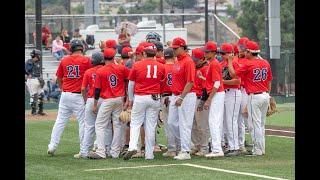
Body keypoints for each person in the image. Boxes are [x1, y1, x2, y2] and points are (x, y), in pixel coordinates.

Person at [47, 39, 92, 156]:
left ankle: (52, 146)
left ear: (71, 49)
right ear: (82, 48)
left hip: (65, 94)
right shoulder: (86, 60)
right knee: (83, 123)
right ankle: (83, 150)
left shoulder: (64, 60)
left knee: (60, 121)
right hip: (79, 95)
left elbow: (59, 78)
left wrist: (62, 88)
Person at [227, 41, 273, 156]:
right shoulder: (265, 62)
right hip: (265, 95)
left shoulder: (248, 64)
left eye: (246, 50)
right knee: (261, 124)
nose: (244, 52)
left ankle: (257, 150)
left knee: (255, 124)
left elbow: (233, 74)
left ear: (249, 52)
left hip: (255, 96)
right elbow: (269, 80)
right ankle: (261, 149)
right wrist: (269, 95)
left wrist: (229, 61)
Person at [123, 42, 165, 160]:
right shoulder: (161, 66)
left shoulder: (137, 65)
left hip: (141, 97)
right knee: (150, 126)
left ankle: (132, 147)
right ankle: (149, 154)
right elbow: (163, 82)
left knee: (135, 123)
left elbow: (131, 84)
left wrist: (130, 99)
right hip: (155, 97)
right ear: (155, 53)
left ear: (145, 53)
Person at [88, 48, 130, 159]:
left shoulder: (100, 71)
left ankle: (101, 151)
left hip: (108, 100)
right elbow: (129, 81)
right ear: (113, 57)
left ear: (103, 58)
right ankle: (115, 152)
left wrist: (95, 104)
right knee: (118, 125)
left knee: (100, 124)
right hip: (120, 99)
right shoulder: (122, 68)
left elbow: (97, 90)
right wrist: (128, 99)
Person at [167, 37, 196, 160]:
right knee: (171, 123)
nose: (173, 50)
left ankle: (185, 151)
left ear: (183, 47)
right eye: (173, 48)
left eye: (176, 48)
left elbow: (190, 82)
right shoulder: (177, 60)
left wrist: (182, 97)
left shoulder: (188, 61)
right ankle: (187, 144)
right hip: (176, 95)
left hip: (186, 95)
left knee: (185, 124)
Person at [75, 51, 105, 159]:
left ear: (93, 61)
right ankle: (106, 150)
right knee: (104, 126)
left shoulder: (88, 72)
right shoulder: (105, 70)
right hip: (104, 100)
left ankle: (84, 152)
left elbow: (83, 89)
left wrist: (85, 100)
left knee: (89, 127)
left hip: (91, 99)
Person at [202, 41, 226, 158]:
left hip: (217, 94)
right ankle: (217, 147)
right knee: (216, 121)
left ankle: (217, 149)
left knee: (214, 121)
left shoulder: (214, 63)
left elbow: (217, 83)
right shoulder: (212, 63)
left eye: (207, 51)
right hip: (217, 94)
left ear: (212, 52)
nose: (205, 53)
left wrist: (209, 99)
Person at [219, 43, 242, 156]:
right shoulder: (220, 64)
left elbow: (237, 80)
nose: (222, 55)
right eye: (221, 53)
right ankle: (229, 145)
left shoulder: (235, 63)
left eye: (224, 53)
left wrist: (229, 62)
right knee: (225, 121)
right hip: (224, 93)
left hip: (233, 93)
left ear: (231, 53)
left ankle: (235, 147)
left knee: (231, 120)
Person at [190, 48, 210, 157]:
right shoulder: (193, 68)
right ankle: (197, 145)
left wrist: (203, 101)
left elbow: (207, 87)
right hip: (192, 98)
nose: (194, 61)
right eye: (193, 59)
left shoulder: (206, 68)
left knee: (202, 124)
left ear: (203, 59)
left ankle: (204, 147)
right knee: (193, 124)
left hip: (201, 98)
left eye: (196, 60)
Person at [161, 48, 177, 158]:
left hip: (166, 96)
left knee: (168, 124)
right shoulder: (177, 66)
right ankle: (181, 147)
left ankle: (172, 149)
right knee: (179, 123)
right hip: (177, 96)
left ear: (164, 57)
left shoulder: (162, 68)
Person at [25, 49, 46, 116]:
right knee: (33, 95)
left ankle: (40, 110)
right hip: (32, 80)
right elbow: (27, 70)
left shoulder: (37, 63)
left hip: (38, 80)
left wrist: (41, 79)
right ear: (35, 55)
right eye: (38, 55)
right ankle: (33, 111)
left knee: (41, 94)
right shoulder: (29, 61)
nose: (39, 56)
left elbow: (38, 72)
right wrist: (28, 75)